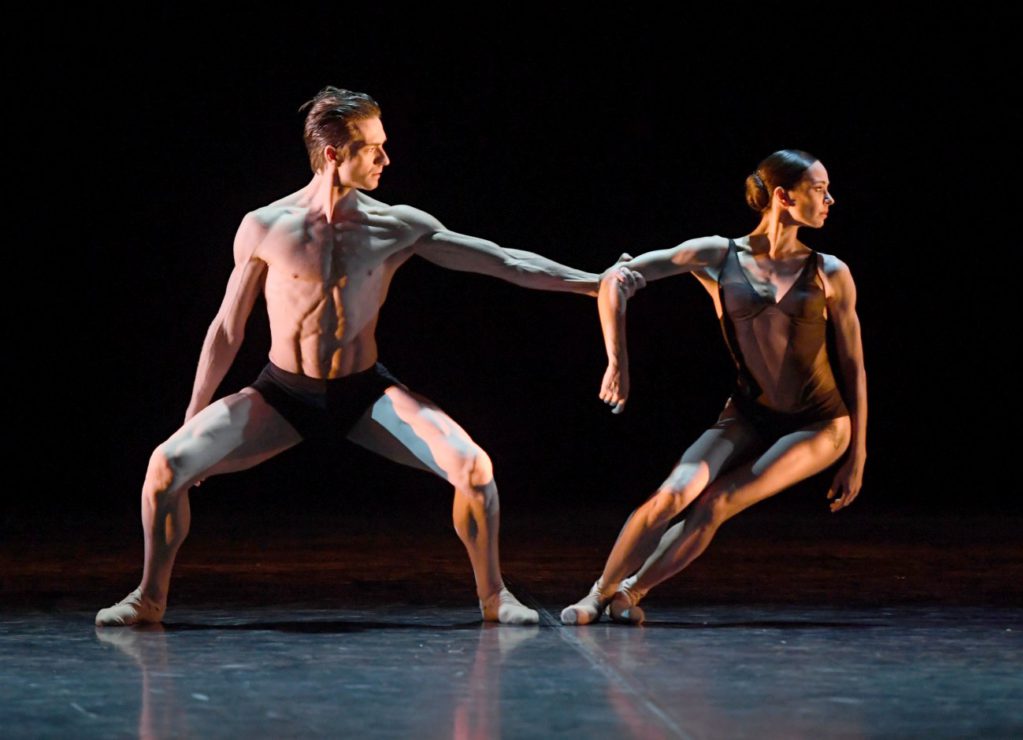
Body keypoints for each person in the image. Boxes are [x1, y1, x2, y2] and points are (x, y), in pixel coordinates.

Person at [96, 86, 641, 628]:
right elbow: (226, 329)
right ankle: (149, 598)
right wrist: (194, 415)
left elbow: (502, 261)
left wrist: (594, 283)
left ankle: (494, 597)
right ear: (334, 154)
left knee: (474, 468)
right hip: (283, 393)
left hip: (363, 392)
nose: (387, 158)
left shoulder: (395, 225)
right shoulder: (265, 227)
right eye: (373, 148)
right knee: (165, 466)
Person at [561, 149, 867, 625]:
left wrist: (858, 454)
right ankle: (597, 594)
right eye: (818, 189)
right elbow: (617, 279)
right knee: (672, 494)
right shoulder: (718, 256)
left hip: (820, 423)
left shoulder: (830, 272)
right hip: (748, 411)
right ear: (783, 197)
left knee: (718, 502)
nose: (830, 198)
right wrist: (617, 361)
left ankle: (632, 590)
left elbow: (854, 365)